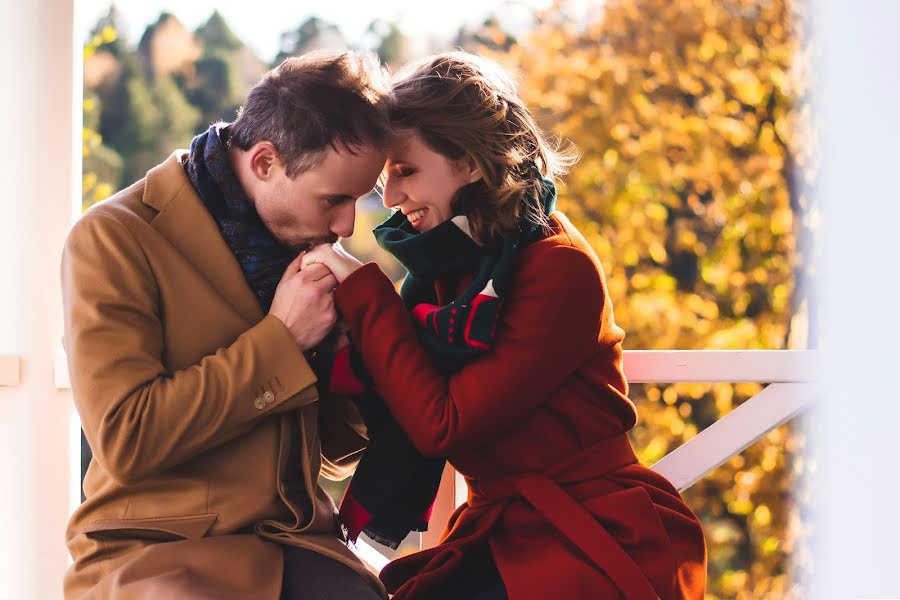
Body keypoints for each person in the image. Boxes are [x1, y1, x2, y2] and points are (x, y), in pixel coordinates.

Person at [302, 51, 708, 600]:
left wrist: (362, 289)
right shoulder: (452, 266)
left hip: (594, 533)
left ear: (469, 162)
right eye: (385, 178)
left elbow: (441, 425)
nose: (391, 199)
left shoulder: (559, 266)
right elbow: (405, 376)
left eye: (405, 171)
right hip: (501, 533)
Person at [61, 51, 390, 599]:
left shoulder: (299, 254)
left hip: (297, 546)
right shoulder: (112, 238)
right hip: (154, 552)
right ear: (264, 162)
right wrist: (283, 340)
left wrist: (352, 353)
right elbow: (127, 440)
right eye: (334, 200)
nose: (347, 225)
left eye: (357, 200)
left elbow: (333, 455)